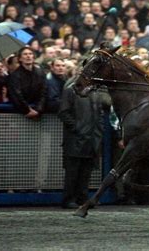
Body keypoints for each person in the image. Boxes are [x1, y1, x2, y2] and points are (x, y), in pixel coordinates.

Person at [58, 73, 108, 209]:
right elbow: (63, 112)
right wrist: (78, 128)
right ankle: (69, 199)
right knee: (73, 172)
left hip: (90, 138)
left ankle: (81, 198)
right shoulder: (70, 91)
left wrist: (97, 131)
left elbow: (100, 114)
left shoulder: (94, 93)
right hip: (77, 138)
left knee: (85, 172)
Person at [8, 47, 46, 119]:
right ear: (20, 59)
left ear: (33, 57)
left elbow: (43, 92)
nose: (28, 56)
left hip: (38, 111)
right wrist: (28, 110)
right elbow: (17, 95)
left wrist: (38, 110)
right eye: (25, 54)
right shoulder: (15, 75)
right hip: (22, 113)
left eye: (30, 54)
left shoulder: (40, 73)